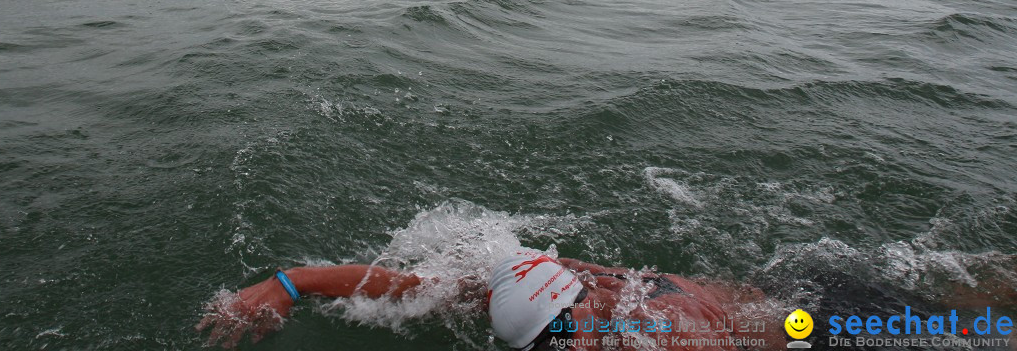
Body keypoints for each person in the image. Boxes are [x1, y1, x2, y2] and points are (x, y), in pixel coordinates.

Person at [197, 249, 1017, 350]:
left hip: (812, 323)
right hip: (782, 285)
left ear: (583, 310)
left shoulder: (658, 340)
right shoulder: (524, 284)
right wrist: (287, 283)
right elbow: (406, 285)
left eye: (567, 342)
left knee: (970, 327)